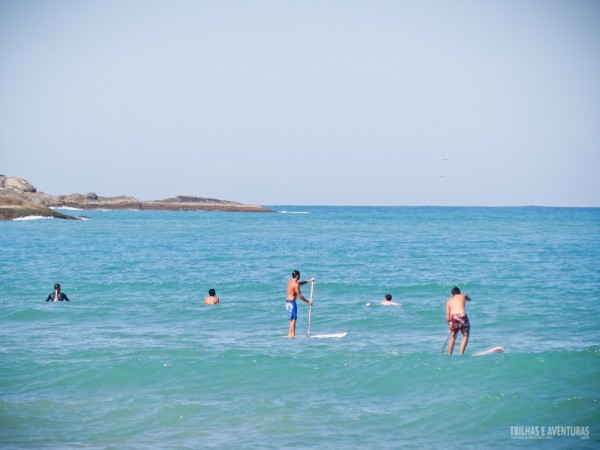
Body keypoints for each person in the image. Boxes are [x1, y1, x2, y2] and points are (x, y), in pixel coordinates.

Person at [285, 270, 315, 337]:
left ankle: (290, 333)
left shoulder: (290, 282)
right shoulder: (296, 285)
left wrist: (309, 281)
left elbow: (300, 283)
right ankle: (293, 334)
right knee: (294, 319)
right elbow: (300, 296)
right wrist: (308, 302)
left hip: (287, 302)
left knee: (291, 318)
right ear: (298, 276)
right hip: (292, 302)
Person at [445, 287, 471, 355]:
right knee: (465, 335)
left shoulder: (448, 301)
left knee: (453, 337)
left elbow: (448, 318)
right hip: (462, 315)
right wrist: (467, 299)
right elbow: (469, 299)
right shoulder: (462, 295)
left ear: (452, 294)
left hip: (453, 317)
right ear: (459, 293)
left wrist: (449, 325)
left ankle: (449, 354)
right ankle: (460, 353)